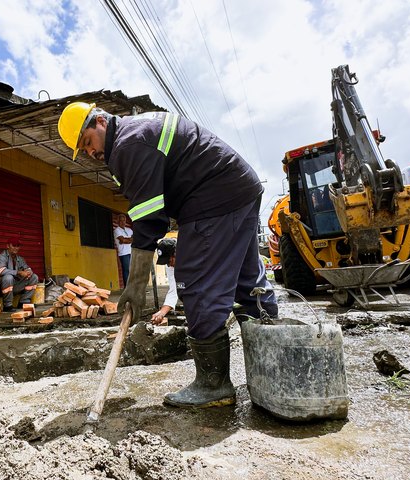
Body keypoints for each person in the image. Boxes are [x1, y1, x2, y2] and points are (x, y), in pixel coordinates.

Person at [58, 102, 278, 409]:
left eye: (87, 142)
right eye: (82, 150)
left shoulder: (127, 145)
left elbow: (149, 220)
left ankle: (213, 385)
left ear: (99, 122)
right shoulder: (135, 134)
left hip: (214, 200)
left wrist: (135, 287)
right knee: (246, 286)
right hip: (238, 189)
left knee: (196, 282)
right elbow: (156, 213)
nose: (90, 153)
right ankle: (273, 373)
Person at [0, 236, 39, 312]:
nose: (16, 248)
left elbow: (27, 268)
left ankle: (24, 301)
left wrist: (28, 272)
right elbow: (1, 271)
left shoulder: (19, 258)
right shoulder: (2, 257)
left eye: (17, 246)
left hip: (15, 285)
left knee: (34, 277)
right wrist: (18, 272)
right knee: (8, 277)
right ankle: (7, 305)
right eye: (14, 245)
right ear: (8, 246)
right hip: (2, 287)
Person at [151, 237, 178, 326]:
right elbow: (175, 289)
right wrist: (162, 312)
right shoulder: (170, 265)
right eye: (166, 263)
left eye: (169, 261)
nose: (169, 265)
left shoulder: (195, 256)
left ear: (176, 253)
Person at [114, 213, 133, 285]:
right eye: (121, 221)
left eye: (124, 220)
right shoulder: (116, 230)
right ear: (117, 222)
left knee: (132, 270)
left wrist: (126, 240)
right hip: (123, 253)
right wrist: (127, 240)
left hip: (131, 252)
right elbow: (123, 240)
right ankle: (127, 287)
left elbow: (135, 238)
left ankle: (132, 287)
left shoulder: (129, 230)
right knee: (126, 270)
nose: (123, 222)